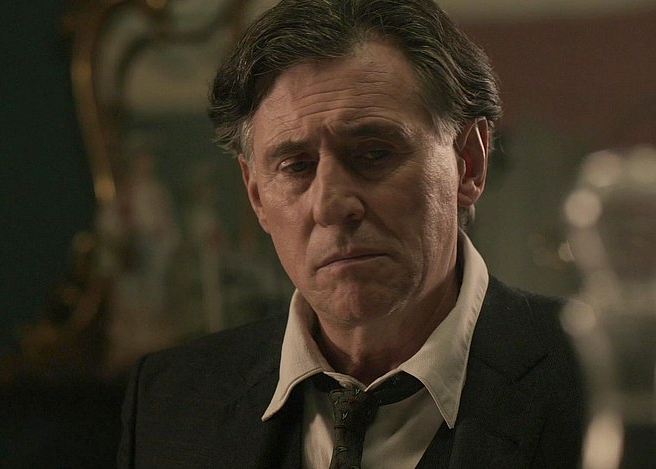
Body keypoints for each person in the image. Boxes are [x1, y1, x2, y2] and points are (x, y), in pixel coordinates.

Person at [118, 0, 585, 467]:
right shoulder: (171, 402)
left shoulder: (602, 378)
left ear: (469, 162)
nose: (331, 205)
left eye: (374, 154)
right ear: (256, 194)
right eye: (296, 166)